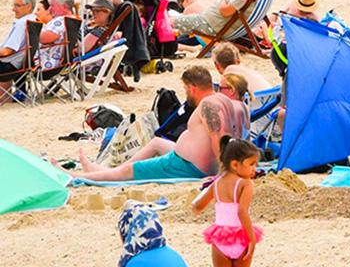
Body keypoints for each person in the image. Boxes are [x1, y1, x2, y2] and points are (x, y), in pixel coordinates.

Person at [74, 66, 247, 181]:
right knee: (156, 143)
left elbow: (219, 136)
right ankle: (102, 170)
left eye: (186, 90)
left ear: (192, 88)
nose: (186, 94)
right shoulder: (225, 102)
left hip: (188, 166)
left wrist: (224, 173)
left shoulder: (209, 105)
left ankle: (84, 177)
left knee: (132, 171)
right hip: (196, 161)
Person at [193, 137, 262, 266]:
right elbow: (242, 212)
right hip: (240, 238)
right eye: (251, 164)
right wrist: (252, 239)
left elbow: (198, 206)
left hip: (220, 239)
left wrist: (194, 204)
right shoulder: (245, 184)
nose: (255, 169)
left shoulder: (216, 183)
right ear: (235, 164)